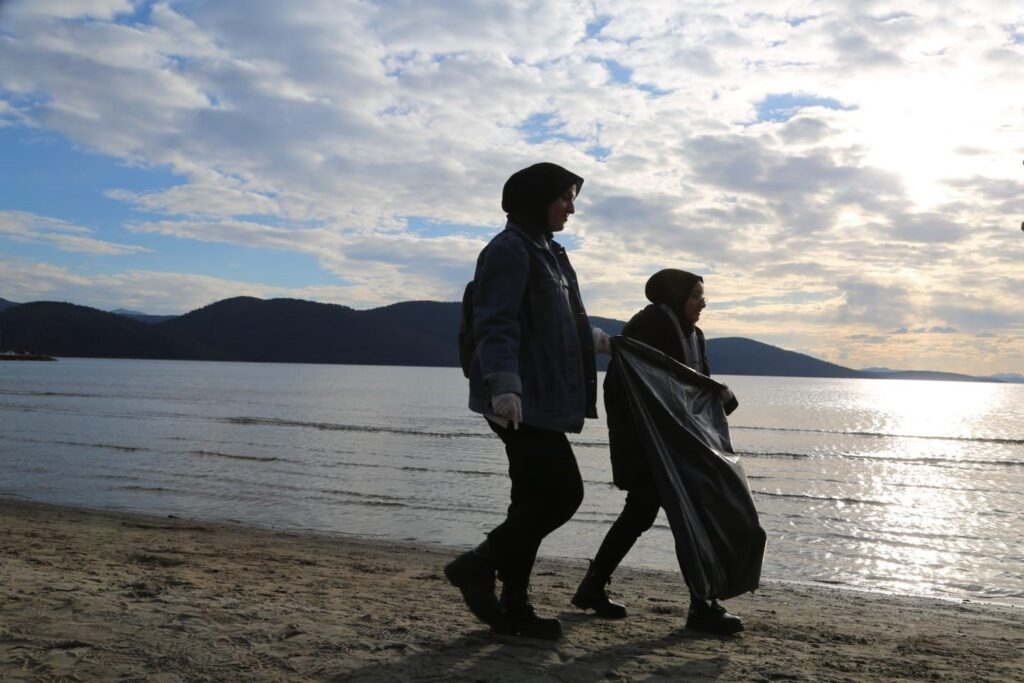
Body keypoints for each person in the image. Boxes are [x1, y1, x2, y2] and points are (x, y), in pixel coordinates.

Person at [444, 162, 611, 640]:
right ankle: (477, 565)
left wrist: (595, 339)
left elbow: (560, 318)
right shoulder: (509, 249)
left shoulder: (553, 253)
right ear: (537, 199)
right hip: (518, 399)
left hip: (544, 396)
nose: (571, 208)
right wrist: (503, 383)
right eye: (564, 197)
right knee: (564, 494)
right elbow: (496, 320)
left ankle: (515, 604)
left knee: (530, 501)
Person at [571, 268, 744, 635]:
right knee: (690, 515)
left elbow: (692, 386)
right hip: (652, 444)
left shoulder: (694, 335)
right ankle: (702, 606)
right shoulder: (650, 325)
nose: (703, 303)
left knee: (640, 514)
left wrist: (718, 395)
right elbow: (638, 381)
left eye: (703, 296)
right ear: (676, 296)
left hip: (678, 445)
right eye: (697, 295)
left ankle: (592, 586)